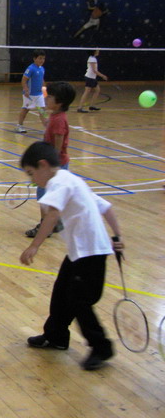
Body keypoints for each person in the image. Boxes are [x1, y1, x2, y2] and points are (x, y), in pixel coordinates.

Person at [19, 141, 124, 371]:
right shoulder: (73, 180)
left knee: (80, 301)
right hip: (81, 251)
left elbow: (53, 215)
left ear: (43, 165)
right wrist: (116, 236)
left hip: (90, 253)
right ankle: (55, 336)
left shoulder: (58, 182)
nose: (32, 180)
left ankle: (101, 347)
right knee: (61, 292)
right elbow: (105, 207)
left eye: (31, 173)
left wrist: (35, 246)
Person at [25, 81, 76, 238]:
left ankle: (46, 226)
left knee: (45, 197)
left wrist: (48, 169)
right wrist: (39, 108)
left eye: (50, 97)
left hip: (55, 166)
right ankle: (54, 222)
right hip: (50, 165)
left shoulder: (60, 120)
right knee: (46, 196)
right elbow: (47, 124)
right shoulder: (55, 116)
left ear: (59, 102)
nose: (46, 99)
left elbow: (58, 148)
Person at [15, 49, 46, 133]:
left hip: (39, 94)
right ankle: (19, 125)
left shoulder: (42, 69)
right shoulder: (30, 69)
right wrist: (26, 90)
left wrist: (45, 92)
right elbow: (24, 80)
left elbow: (42, 80)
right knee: (25, 109)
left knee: (42, 111)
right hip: (29, 94)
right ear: (34, 59)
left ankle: (47, 128)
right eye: (40, 58)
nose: (42, 60)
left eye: (43, 58)